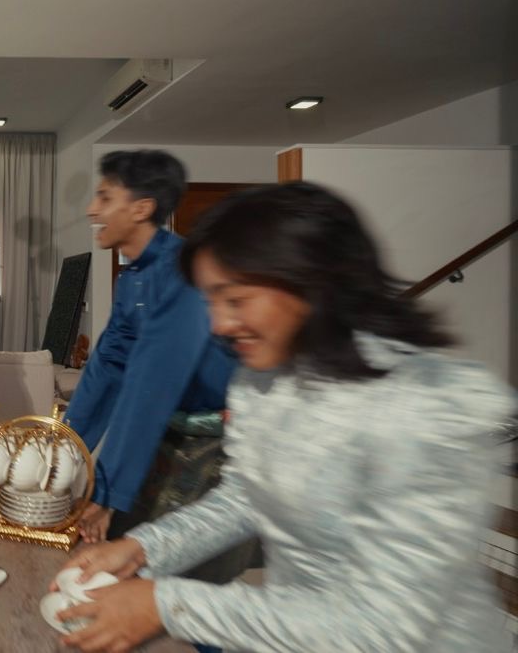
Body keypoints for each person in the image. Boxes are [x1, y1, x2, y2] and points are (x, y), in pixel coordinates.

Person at [54, 182, 515, 653]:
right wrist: (144, 548)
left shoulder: (425, 408)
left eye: (236, 300)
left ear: (310, 283)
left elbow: (388, 626)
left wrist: (167, 604)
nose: (218, 325)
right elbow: (247, 496)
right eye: (211, 302)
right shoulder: (263, 381)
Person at [65, 150, 238, 546]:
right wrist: (63, 448)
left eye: (105, 197)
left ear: (141, 208)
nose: (92, 210)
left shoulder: (183, 271)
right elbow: (108, 366)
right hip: (168, 432)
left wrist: (106, 491)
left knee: (172, 556)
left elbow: (151, 382)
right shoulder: (133, 277)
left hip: (215, 445)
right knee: (118, 540)